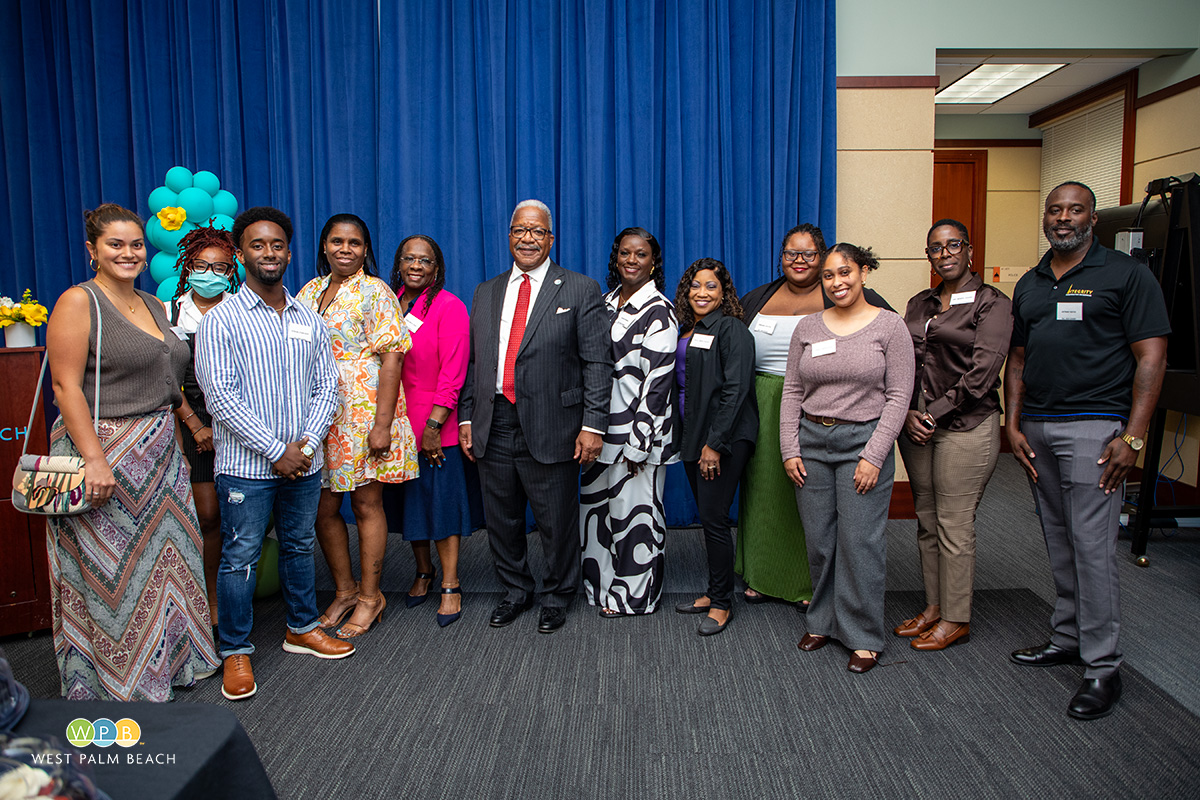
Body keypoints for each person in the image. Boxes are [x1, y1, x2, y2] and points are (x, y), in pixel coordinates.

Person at [1006, 181, 1169, 720]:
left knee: (1093, 546)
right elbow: (1020, 360)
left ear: (1093, 219)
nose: (1063, 218)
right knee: (1058, 536)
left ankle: (1103, 667)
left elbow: (1151, 358)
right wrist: (1012, 422)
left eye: (1075, 210)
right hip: (1039, 428)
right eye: (1055, 210)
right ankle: (1069, 636)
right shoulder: (1029, 283)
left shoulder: (1126, 275)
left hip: (1097, 429)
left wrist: (1135, 437)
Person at [44, 203, 219, 701]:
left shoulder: (153, 303)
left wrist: (186, 427)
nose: (128, 252)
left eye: (136, 244)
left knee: (170, 561)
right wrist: (95, 460)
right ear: (92, 250)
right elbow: (65, 385)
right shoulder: (80, 302)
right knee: (110, 574)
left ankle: (172, 666)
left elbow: (168, 378)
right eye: (115, 244)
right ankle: (121, 679)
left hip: (161, 449)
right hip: (106, 449)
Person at [196, 206, 353, 702]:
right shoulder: (222, 319)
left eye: (278, 245)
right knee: (240, 556)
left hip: (304, 462)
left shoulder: (309, 316)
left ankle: (301, 627)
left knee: (298, 545)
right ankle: (235, 650)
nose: (269, 253)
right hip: (247, 467)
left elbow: (328, 387)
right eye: (258, 245)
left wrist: (304, 446)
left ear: (289, 251)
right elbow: (219, 396)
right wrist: (275, 450)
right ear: (241, 253)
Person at [459, 199, 611, 634]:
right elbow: (477, 361)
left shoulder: (580, 289)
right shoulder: (486, 291)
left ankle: (557, 594)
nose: (528, 238)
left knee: (556, 520)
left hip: (554, 426)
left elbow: (598, 363)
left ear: (550, 238)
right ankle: (514, 591)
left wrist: (592, 425)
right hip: (495, 421)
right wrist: (467, 417)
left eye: (537, 231)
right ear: (509, 237)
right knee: (501, 518)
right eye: (519, 231)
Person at [738, 224, 893, 609]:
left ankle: (812, 586)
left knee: (808, 503)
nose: (799, 261)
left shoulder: (852, 296)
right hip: (762, 404)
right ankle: (761, 575)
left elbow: (890, 360)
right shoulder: (759, 297)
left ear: (822, 257)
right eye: (791, 253)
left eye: (809, 254)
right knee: (763, 495)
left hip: (818, 407)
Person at [781, 243, 914, 674]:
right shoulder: (808, 327)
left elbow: (898, 396)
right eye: (829, 276)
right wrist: (789, 448)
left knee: (860, 543)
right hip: (812, 441)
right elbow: (793, 392)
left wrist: (875, 454)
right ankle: (821, 620)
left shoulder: (890, 327)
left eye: (846, 273)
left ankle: (861, 635)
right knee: (820, 540)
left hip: (863, 440)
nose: (837, 282)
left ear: (865, 272)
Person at [297, 214, 419, 638]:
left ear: (366, 249)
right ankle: (345, 590)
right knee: (323, 507)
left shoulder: (376, 291)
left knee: (367, 505)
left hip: (364, 410)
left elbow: (393, 358)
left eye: (354, 242)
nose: (345, 249)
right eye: (336, 241)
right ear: (324, 246)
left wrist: (382, 425)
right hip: (320, 414)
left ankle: (371, 596)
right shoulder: (309, 291)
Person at [895, 219, 1012, 651]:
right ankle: (934, 608)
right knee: (927, 520)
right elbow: (906, 361)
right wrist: (908, 410)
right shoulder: (920, 303)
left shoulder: (991, 303)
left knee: (954, 523)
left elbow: (983, 373)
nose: (944, 254)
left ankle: (957, 617)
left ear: (969, 251)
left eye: (952, 246)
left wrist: (935, 414)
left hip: (966, 425)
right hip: (918, 425)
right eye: (935, 248)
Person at [580, 227, 678, 617]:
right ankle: (601, 589)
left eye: (640, 254)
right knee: (598, 516)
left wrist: (640, 441)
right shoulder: (605, 302)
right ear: (615, 258)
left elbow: (658, 385)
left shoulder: (660, 311)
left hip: (638, 437)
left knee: (636, 518)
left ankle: (635, 598)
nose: (631, 260)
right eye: (624, 253)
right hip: (599, 432)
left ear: (653, 261)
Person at [385, 234, 482, 627]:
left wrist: (434, 424)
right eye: (409, 257)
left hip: (433, 425)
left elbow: (454, 371)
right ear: (399, 263)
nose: (416, 266)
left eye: (424, 260)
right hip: (395, 423)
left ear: (436, 268)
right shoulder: (387, 302)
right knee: (411, 504)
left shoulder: (449, 306)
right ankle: (423, 573)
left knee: (441, 506)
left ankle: (451, 583)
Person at [673, 258, 757, 636]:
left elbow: (736, 390)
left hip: (723, 439)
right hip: (695, 436)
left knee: (715, 519)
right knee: (709, 518)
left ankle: (723, 603)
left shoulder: (732, 330)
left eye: (711, 286)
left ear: (724, 293)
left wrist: (714, 445)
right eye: (695, 285)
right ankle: (714, 591)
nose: (701, 293)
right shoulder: (689, 330)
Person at [169, 225, 241, 623]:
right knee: (207, 515)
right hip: (190, 422)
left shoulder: (241, 311)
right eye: (201, 265)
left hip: (237, 423)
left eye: (219, 267)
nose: (209, 273)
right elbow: (165, 380)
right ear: (188, 265)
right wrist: (196, 426)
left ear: (231, 270)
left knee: (243, 517)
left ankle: (234, 596)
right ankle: (207, 598)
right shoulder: (168, 312)